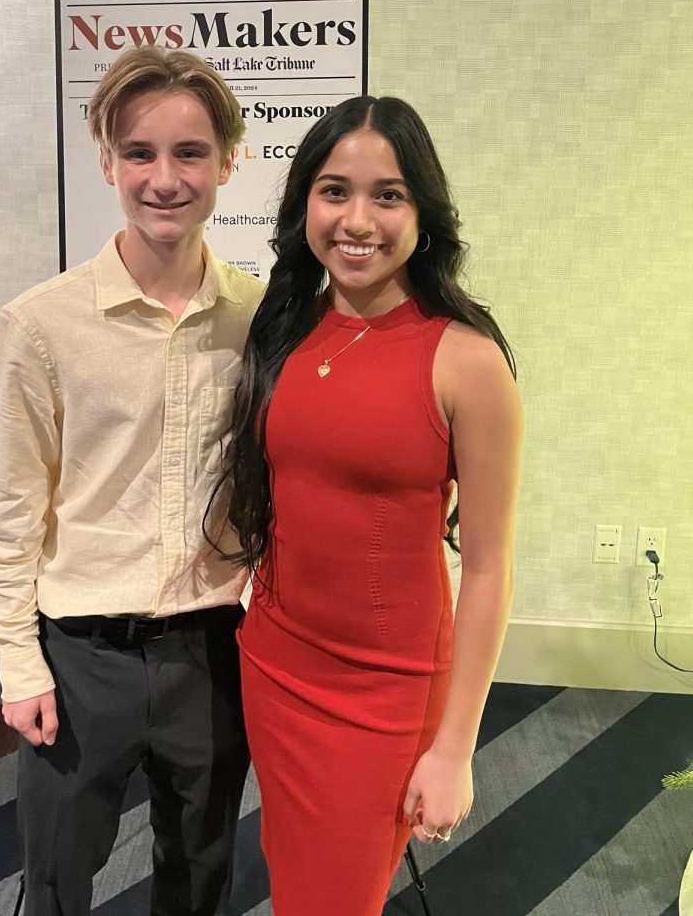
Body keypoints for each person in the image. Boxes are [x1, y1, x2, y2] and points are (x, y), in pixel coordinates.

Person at [0, 46, 264, 916]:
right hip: (79, 656)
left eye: (189, 153)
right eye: (139, 152)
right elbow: (11, 509)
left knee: (202, 870)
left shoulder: (260, 317)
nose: (164, 178)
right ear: (106, 162)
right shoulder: (39, 325)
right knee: (57, 874)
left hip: (211, 650)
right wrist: (17, 660)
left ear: (228, 161)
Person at [217, 95, 523, 916]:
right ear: (303, 206)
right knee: (293, 873)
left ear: (423, 211)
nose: (359, 219)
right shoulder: (286, 326)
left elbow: (490, 569)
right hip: (274, 660)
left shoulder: (466, 360)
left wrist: (455, 748)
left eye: (388, 194)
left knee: (335, 900)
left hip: (383, 692)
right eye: (333, 191)